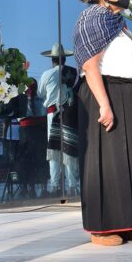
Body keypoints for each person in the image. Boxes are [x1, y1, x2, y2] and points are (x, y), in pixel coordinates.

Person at [73, 0, 132, 245]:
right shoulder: (93, 17)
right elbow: (89, 64)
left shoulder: (116, 22)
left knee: (128, 157)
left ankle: (128, 220)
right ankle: (103, 227)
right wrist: (104, 104)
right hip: (105, 90)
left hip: (128, 92)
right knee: (106, 158)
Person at [38, 44, 79, 195]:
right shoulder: (74, 73)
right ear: (65, 60)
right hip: (70, 113)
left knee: (54, 150)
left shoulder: (46, 75)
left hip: (53, 114)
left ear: (52, 60)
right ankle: (72, 186)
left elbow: (41, 93)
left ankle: (55, 186)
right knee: (70, 149)